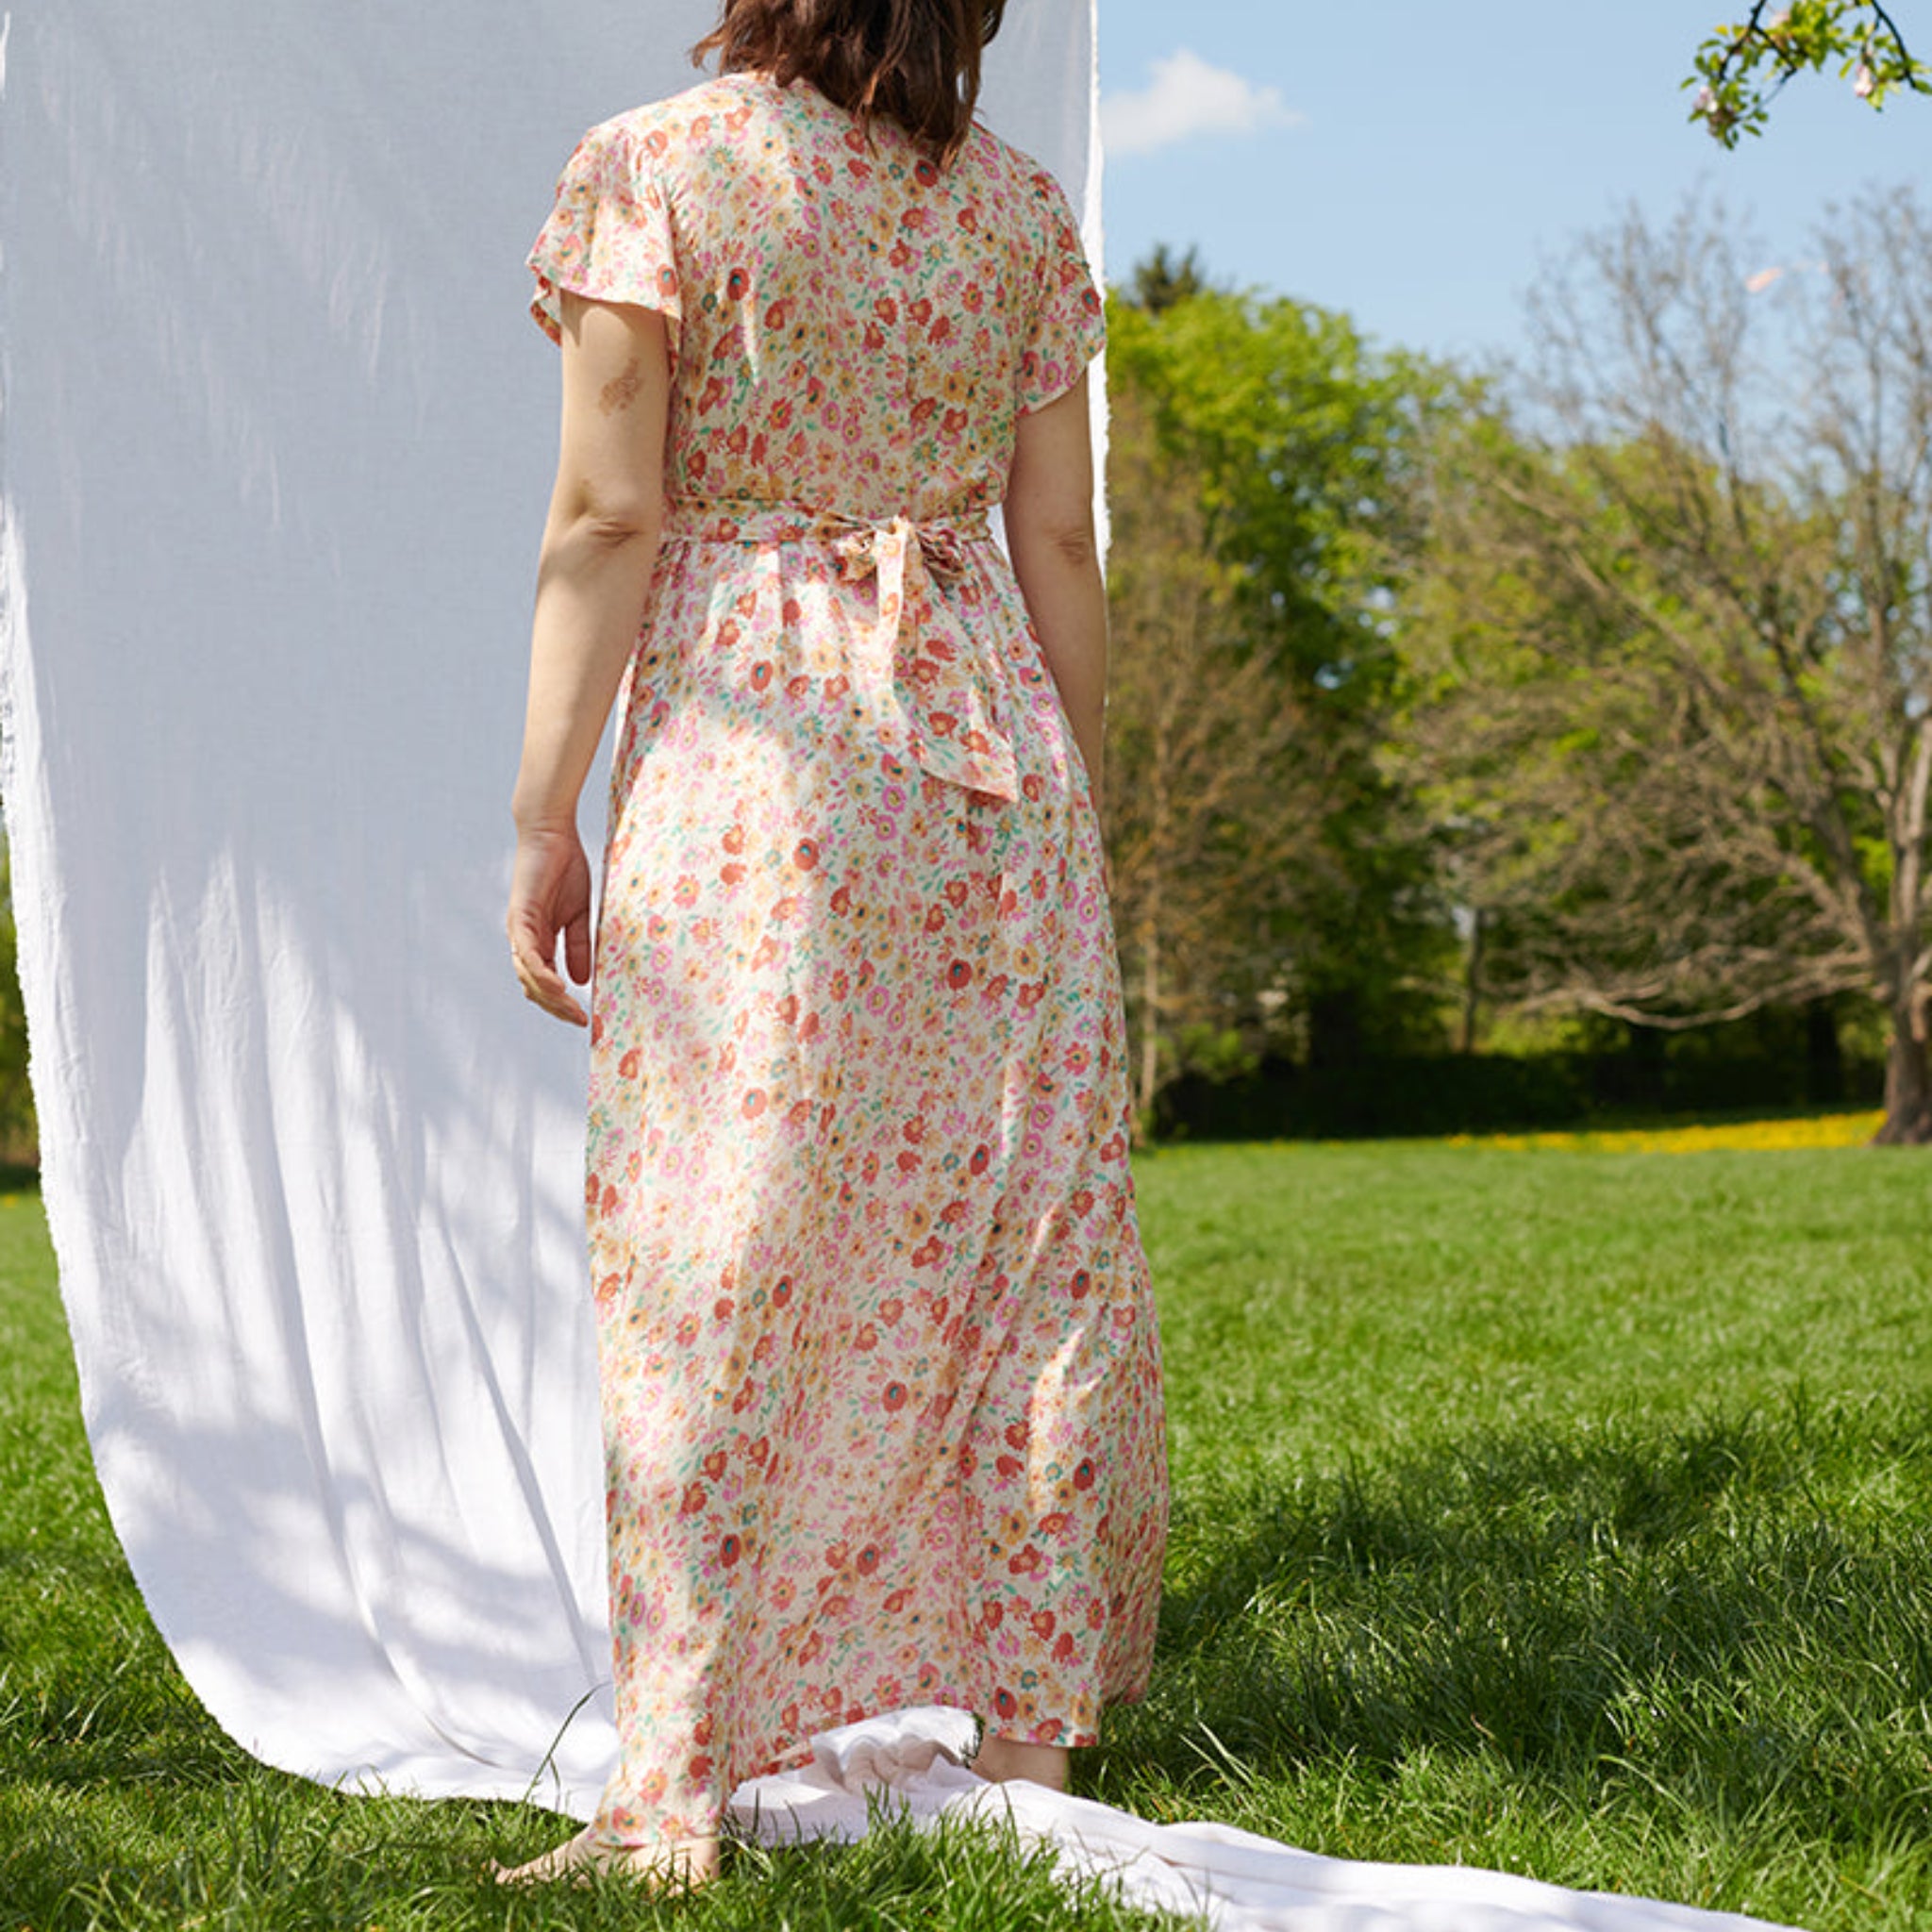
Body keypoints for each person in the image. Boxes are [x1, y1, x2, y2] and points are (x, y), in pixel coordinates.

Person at [502, 0, 1167, 1890]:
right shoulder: (1020, 214)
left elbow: (609, 511)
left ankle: (673, 1792)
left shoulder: (659, 168)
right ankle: (1030, 1754)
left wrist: (545, 811)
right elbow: (1059, 542)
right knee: (1016, 1233)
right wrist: (1079, 812)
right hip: (990, 761)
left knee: (712, 1247)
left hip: (761, 756)